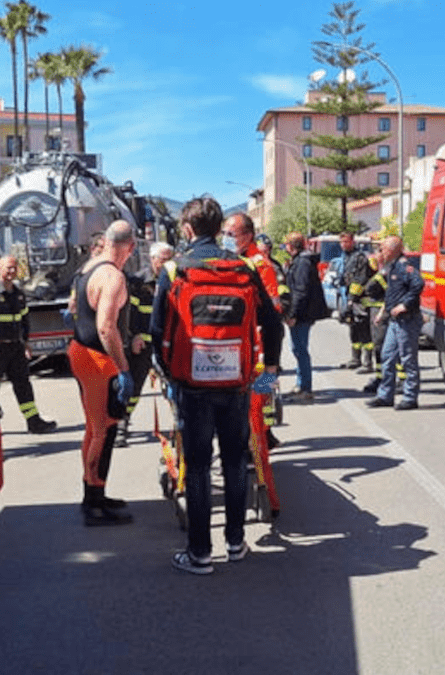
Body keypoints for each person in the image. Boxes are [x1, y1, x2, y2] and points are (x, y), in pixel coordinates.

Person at [152, 197, 283, 575]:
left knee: (196, 469)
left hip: (191, 387)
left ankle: (200, 553)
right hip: (238, 385)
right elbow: (273, 324)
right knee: (234, 463)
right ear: (218, 229)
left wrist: (173, 375)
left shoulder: (175, 270)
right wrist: (267, 375)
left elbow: (156, 331)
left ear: (189, 230)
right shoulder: (244, 267)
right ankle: (236, 543)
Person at [68, 220, 138, 526]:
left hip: (80, 352)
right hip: (98, 359)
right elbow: (107, 328)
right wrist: (123, 368)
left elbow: (74, 306)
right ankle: (94, 503)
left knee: (93, 427)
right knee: (105, 429)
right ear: (130, 247)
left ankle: (93, 492)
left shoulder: (87, 269)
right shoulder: (113, 276)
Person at [222, 214, 285, 451]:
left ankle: (263, 436)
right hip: (246, 344)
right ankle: (263, 436)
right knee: (256, 399)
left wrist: (270, 359)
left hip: (262, 342)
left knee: (263, 391)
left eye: (231, 234)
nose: (226, 239)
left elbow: (272, 312)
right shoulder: (235, 259)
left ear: (248, 236)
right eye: (224, 234)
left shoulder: (259, 264)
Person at [114, 241, 174, 447]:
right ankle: (121, 424)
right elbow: (129, 314)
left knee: (175, 386)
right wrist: (135, 336)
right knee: (132, 387)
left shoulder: (175, 279)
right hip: (142, 345)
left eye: (169, 259)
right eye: (162, 259)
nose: (166, 263)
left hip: (166, 345)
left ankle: (182, 426)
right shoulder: (139, 282)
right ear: (153, 259)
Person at [0, 255, 57, 434]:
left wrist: (26, 342)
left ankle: (34, 422)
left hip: (16, 347)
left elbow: (24, 319)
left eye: (14, 268)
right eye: (7, 268)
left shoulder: (18, 294)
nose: (11, 271)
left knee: (23, 385)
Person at [366, 236, 424, 411]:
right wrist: (383, 312)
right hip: (393, 321)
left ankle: (410, 397)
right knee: (387, 356)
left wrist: (404, 305)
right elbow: (392, 294)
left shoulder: (404, 266)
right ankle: (385, 396)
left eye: (383, 249)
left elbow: (418, 284)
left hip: (407, 320)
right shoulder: (391, 267)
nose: (380, 252)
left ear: (392, 250)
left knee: (408, 360)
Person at [282, 232, 327, 401]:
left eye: (286, 244)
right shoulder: (301, 260)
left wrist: (293, 314)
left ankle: (305, 388)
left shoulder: (302, 262)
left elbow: (300, 292)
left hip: (302, 314)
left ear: (291, 246)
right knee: (298, 349)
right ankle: (301, 384)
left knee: (300, 350)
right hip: (304, 313)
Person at [338, 232, 373, 372]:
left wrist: (352, 300)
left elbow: (360, 280)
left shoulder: (360, 258)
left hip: (361, 300)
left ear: (352, 241)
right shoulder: (346, 258)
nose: (343, 245)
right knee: (353, 330)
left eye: (346, 241)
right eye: (341, 242)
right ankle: (355, 359)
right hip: (351, 299)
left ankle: (368, 363)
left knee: (364, 331)